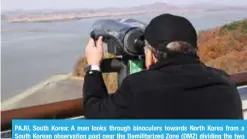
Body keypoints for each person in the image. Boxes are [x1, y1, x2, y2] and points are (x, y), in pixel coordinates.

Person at [83, 13, 243, 119]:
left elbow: (95, 112)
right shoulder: (225, 84)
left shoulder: (138, 88)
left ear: (150, 55)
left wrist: (93, 67)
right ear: (195, 49)